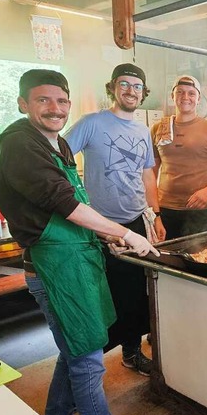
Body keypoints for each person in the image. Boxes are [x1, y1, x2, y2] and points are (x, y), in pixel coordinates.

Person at [0, 69, 160, 415]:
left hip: (77, 259)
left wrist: (107, 234)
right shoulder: (20, 145)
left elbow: (75, 200)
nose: (55, 109)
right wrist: (124, 233)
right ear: (23, 104)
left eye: (61, 101)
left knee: (75, 352)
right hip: (55, 270)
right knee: (87, 361)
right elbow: (64, 204)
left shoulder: (54, 144)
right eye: (43, 100)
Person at [65, 63, 165, 376]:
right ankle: (92, 360)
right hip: (100, 225)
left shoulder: (142, 130)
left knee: (136, 289)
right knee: (103, 290)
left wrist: (156, 214)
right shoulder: (92, 123)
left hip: (135, 221)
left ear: (143, 93)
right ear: (112, 88)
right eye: (124, 84)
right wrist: (75, 195)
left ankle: (132, 352)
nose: (131, 91)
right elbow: (58, 157)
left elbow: (147, 174)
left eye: (137, 86)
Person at [150, 74, 207, 237]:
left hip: (199, 212)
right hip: (165, 210)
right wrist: (155, 214)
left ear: (198, 99)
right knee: (166, 258)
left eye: (191, 93)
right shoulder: (158, 129)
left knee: (200, 257)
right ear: (172, 96)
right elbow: (150, 175)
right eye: (180, 92)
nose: (185, 97)